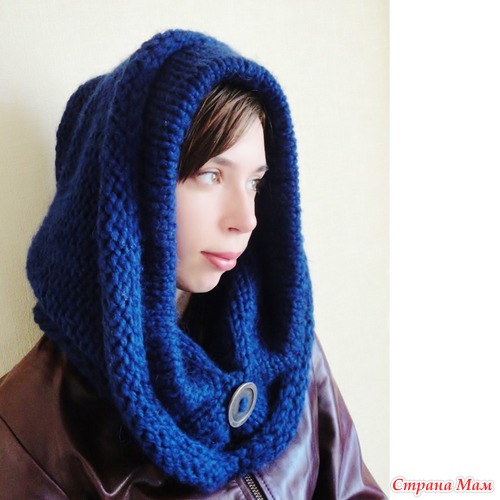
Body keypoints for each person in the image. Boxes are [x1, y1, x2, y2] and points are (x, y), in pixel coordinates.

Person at [0, 30, 386, 499]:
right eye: (211, 175)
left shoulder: (281, 340)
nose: (246, 219)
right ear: (125, 189)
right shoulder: (26, 435)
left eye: (255, 183)